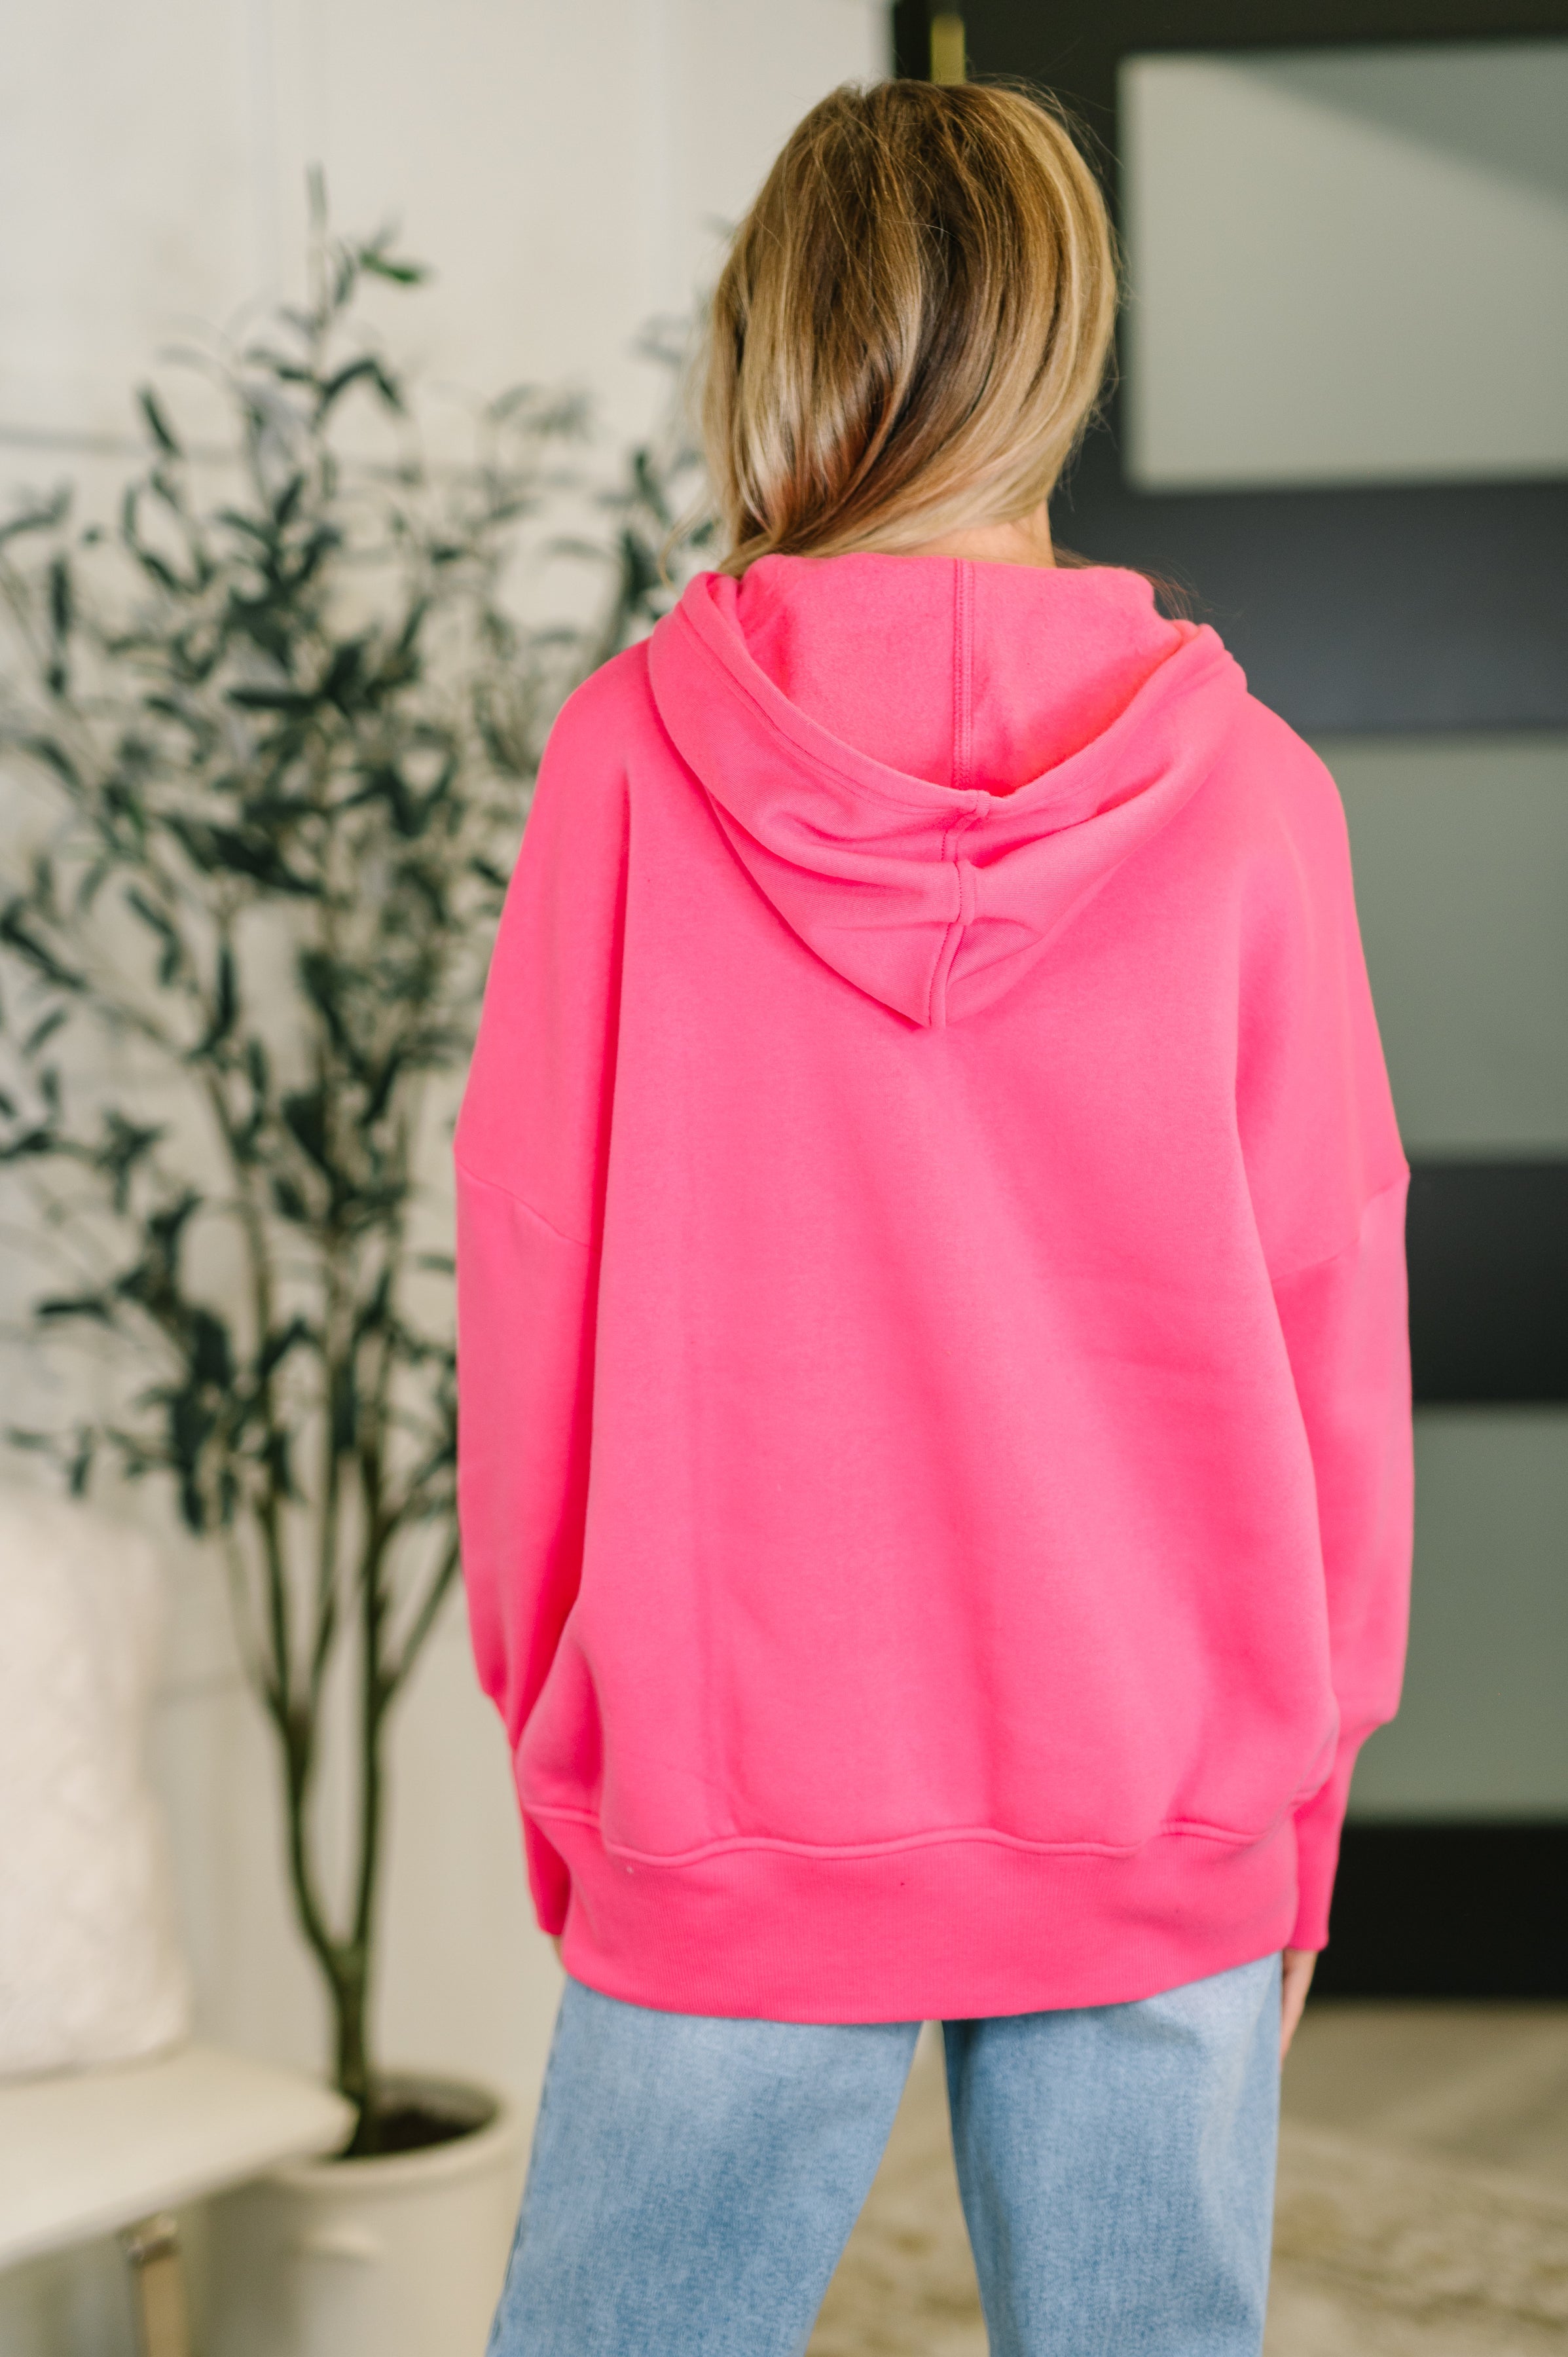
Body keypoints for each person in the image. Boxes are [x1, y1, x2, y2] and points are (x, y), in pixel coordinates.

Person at [455, 77, 1413, 2357]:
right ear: (1069, 343)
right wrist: (1296, 1814)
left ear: (772, 336)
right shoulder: (1253, 798)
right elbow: (1329, 1318)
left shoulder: (624, 764)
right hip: (1163, 1782)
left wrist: (570, 1773)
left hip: (722, 1797)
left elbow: (532, 1297)